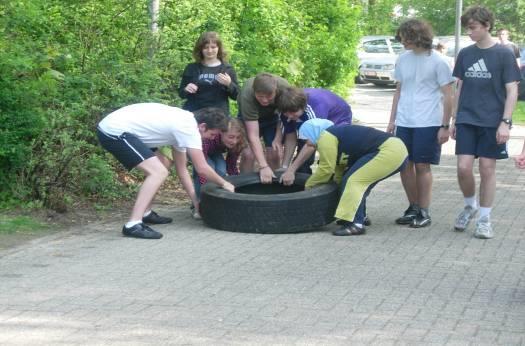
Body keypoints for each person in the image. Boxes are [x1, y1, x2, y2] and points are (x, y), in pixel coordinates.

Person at [97, 103, 235, 239]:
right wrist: (224, 183)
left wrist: (195, 201)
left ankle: (146, 212)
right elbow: (202, 168)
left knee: (164, 164)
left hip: (128, 130)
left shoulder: (186, 124)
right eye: (212, 134)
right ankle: (133, 224)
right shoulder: (188, 128)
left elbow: (182, 170)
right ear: (203, 126)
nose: (211, 138)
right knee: (158, 172)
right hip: (113, 131)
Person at [451, 6, 521, 239]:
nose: (469, 32)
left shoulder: (504, 54)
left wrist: (506, 122)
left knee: (487, 169)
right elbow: (459, 87)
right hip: (467, 119)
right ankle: (470, 205)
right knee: (463, 168)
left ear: (486, 26)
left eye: (473, 27)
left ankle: (484, 219)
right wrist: (454, 118)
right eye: (467, 28)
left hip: (492, 121)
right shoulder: (466, 54)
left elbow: (512, 90)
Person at [387, 19, 455, 229]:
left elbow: (448, 95)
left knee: (422, 165)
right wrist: (392, 120)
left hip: (428, 121)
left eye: (406, 37)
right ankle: (413, 206)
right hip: (404, 121)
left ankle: (424, 211)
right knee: (404, 165)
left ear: (418, 36)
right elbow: (399, 89)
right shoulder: (403, 58)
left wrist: (445, 126)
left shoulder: (439, 61)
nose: (403, 41)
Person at [300, 119, 408, 236]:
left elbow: (326, 169)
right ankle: (360, 216)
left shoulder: (325, 137)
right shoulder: (336, 136)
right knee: (354, 181)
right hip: (396, 150)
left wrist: (309, 185)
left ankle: (356, 224)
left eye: (306, 138)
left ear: (313, 132)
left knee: (353, 181)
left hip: (390, 150)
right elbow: (339, 169)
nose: (306, 143)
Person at [275, 87, 352, 185]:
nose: (290, 117)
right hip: (307, 114)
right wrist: (285, 167)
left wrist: (291, 170)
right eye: (287, 114)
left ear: (303, 107)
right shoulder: (286, 109)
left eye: (293, 113)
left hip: (338, 117)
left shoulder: (314, 109)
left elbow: (311, 144)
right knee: (300, 162)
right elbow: (290, 137)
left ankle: (331, 184)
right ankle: (302, 185)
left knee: (329, 153)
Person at [237, 72, 289, 183]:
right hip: (249, 118)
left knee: (274, 152)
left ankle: (275, 187)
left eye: (269, 96)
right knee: (248, 153)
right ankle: (244, 188)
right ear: (254, 91)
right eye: (260, 96)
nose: (265, 100)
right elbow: (253, 135)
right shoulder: (247, 95)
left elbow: (285, 116)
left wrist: (278, 138)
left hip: (273, 118)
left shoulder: (284, 88)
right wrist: (263, 166)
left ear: (276, 91)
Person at [192, 118, 246, 218]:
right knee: (209, 168)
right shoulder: (208, 137)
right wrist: (204, 188)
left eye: (237, 137)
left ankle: (215, 200)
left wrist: (235, 187)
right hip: (198, 150)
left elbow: (231, 166)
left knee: (221, 170)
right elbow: (202, 169)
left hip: (214, 151)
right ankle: (199, 203)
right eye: (231, 137)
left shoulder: (237, 143)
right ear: (221, 133)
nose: (234, 141)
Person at [178, 32, 238, 114]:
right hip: (193, 114)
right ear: (200, 49)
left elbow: (236, 96)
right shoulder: (192, 68)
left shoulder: (227, 69)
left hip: (218, 116)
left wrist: (229, 84)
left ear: (219, 48)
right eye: (206, 47)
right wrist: (186, 89)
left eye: (213, 47)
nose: (210, 51)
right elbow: (181, 94)